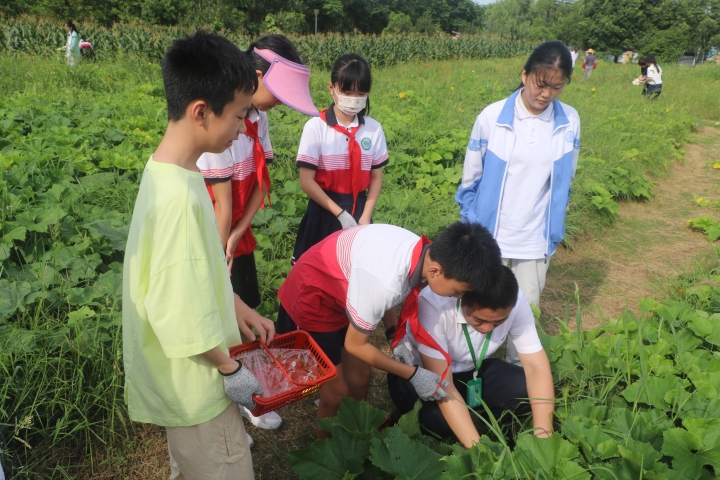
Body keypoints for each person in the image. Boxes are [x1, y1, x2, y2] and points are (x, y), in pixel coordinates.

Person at [122, 30, 276, 479]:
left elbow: (199, 271)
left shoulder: (177, 173)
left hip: (186, 382)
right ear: (201, 112)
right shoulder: (178, 203)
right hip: (200, 391)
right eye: (240, 114)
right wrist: (230, 370)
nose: (244, 126)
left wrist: (238, 305)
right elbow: (174, 312)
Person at [276, 221, 503, 438]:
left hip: (344, 289)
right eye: (457, 292)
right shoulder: (385, 282)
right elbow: (355, 345)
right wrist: (413, 374)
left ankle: (357, 427)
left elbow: (387, 294)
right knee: (336, 392)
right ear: (435, 271)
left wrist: (393, 333)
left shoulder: (422, 252)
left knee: (361, 376)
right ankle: (326, 451)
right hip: (313, 296)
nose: (458, 297)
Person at [196, 34, 318, 436]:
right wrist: (221, 249)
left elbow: (260, 185)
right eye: (278, 94)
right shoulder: (223, 120)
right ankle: (230, 398)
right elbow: (221, 204)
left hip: (235, 235)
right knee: (217, 314)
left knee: (245, 305)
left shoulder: (258, 120)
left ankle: (246, 395)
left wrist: (240, 233)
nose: (280, 104)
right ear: (257, 76)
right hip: (213, 233)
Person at [455, 40, 580, 365]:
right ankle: (468, 368)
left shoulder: (569, 120)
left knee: (526, 310)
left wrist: (555, 224)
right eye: (541, 83)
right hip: (490, 235)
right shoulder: (493, 116)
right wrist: (472, 230)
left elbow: (567, 177)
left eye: (556, 86)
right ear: (525, 75)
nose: (546, 93)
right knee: (478, 306)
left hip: (535, 239)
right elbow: (471, 178)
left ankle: (514, 376)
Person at [388, 265, 555, 447]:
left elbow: (535, 367)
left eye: (499, 321)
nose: (487, 329)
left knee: (525, 389)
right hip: (424, 378)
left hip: (471, 371)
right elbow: (443, 385)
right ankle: (403, 419)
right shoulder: (433, 304)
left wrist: (544, 436)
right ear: (461, 297)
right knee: (437, 421)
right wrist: (479, 451)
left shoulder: (515, 300)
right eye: (479, 320)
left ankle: (482, 421)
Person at [292, 53, 388, 265]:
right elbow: (306, 181)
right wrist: (340, 214)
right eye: (347, 91)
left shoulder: (373, 129)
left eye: (361, 93)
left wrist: (365, 217)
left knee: (353, 270)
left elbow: (376, 177)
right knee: (317, 271)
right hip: (324, 208)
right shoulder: (316, 127)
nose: (354, 98)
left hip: (360, 208)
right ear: (331, 87)